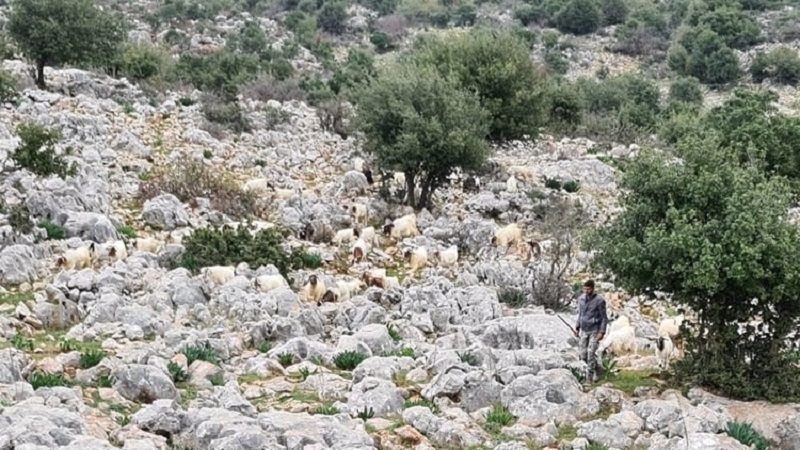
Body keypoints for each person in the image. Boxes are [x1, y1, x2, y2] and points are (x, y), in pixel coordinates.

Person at [574, 279, 608, 382]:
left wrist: (601, 332)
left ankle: (589, 379)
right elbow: (580, 315)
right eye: (585, 289)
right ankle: (599, 369)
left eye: (588, 289)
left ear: (592, 289)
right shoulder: (581, 299)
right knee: (583, 354)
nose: (586, 291)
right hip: (584, 330)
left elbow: (604, 318)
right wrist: (577, 327)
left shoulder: (599, 300)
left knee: (591, 353)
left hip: (594, 330)